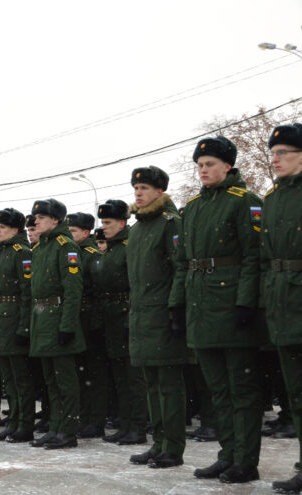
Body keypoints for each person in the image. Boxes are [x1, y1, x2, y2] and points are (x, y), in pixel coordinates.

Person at [170, 136, 263, 484]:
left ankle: (246, 460)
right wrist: (177, 305)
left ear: (227, 166)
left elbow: (254, 254)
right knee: (218, 390)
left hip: (230, 304)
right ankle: (227, 455)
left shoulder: (245, 201)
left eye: (210, 164)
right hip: (200, 306)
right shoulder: (192, 207)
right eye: (200, 165)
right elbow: (183, 263)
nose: (204, 170)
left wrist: (245, 301)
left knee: (242, 389)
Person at [125, 166, 188, 469]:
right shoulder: (136, 230)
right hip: (141, 317)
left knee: (169, 386)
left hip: (163, 315)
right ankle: (158, 443)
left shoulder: (170, 223)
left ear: (160, 192)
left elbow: (180, 268)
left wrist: (176, 308)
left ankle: (173, 447)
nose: (138, 193)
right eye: (136, 188)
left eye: (145, 189)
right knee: (151, 385)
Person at [260, 123, 302, 494]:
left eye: (283, 153)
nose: (275, 159)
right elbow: (263, 259)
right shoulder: (270, 201)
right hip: (282, 304)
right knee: (297, 392)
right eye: (273, 153)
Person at [29, 199, 85, 449]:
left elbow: (73, 290)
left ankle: (68, 430)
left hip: (58, 317)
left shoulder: (65, 246)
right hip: (42, 318)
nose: (36, 221)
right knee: (50, 380)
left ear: (55, 220)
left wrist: (67, 325)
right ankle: (55, 426)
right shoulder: (40, 248)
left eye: (41, 218)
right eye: (35, 217)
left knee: (65, 381)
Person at [96, 200, 147, 446]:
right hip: (112, 316)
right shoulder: (113, 248)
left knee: (133, 376)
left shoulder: (128, 245)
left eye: (108, 222)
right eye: (102, 222)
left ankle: (137, 426)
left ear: (122, 223)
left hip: (127, 312)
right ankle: (126, 425)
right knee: (120, 376)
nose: (103, 227)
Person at [0, 208, 34, 443]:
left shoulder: (21, 253)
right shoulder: (1, 254)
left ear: (15, 230)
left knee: (20, 378)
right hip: (0, 321)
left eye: (3, 227)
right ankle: (14, 421)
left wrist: (24, 327)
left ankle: (25, 424)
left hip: (15, 319)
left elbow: (27, 294)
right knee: (9, 379)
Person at [67, 212, 107, 439]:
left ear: (86, 232)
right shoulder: (73, 253)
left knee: (94, 374)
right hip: (79, 320)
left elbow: (99, 293)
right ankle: (84, 418)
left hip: (92, 321)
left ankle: (96, 420)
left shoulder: (92, 255)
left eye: (73, 231)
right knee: (80, 373)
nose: (70, 235)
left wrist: (95, 323)